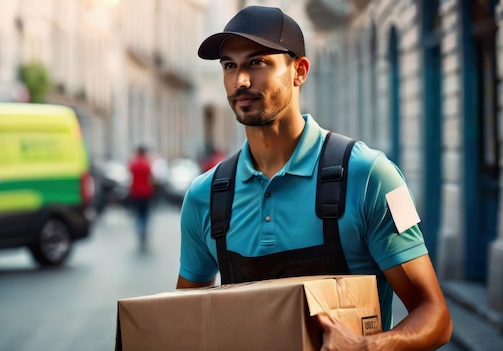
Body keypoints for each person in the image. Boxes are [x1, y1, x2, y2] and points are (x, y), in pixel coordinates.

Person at [176, 5, 452, 350]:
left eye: (256, 63)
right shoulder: (205, 195)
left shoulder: (371, 176)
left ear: (299, 71)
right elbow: (183, 322)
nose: (240, 81)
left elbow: (435, 314)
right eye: (230, 65)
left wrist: (368, 347)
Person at [127, 144, 155, 252]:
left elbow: (129, 178)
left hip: (135, 193)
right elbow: (151, 179)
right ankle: (144, 231)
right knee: (145, 215)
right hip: (146, 193)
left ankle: (139, 232)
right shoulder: (147, 164)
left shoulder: (133, 164)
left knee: (138, 214)